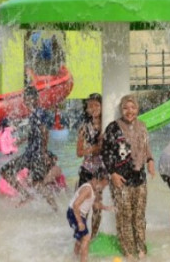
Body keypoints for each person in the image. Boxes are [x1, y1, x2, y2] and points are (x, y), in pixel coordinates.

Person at [102, 94, 155, 259]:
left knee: (139, 215)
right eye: (125, 108)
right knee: (124, 215)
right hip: (121, 179)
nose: (129, 111)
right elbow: (106, 152)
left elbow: (146, 148)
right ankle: (127, 250)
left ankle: (141, 248)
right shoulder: (113, 128)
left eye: (132, 107)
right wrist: (112, 174)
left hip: (139, 178)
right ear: (121, 110)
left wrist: (151, 160)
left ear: (137, 109)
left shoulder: (142, 126)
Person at [0, 87, 56, 209]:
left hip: (37, 154)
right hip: (29, 154)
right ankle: (28, 196)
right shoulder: (34, 114)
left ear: (36, 99)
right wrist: (22, 140)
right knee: (5, 171)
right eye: (26, 98)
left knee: (37, 183)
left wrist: (44, 152)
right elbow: (34, 131)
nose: (27, 101)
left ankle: (55, 208)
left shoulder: (39, 112)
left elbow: (44, 131)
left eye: (29, 98)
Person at [76, 93, 105, 237]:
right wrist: (94, 149)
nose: (93, 108)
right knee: (83, 206)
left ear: (102, 107)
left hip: (101, 171)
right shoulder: (84, 128)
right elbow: (79, 152)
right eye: (90, 106)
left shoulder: (107, 125)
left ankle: (93, 235)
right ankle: (82, 234)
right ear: (86, 109)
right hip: (87, 170)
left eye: (97, 105)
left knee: (97, 205)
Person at [67, 168, 111, 262]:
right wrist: (79, 222)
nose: (104, 188)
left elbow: (95, 204)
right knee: (86, 238)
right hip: (74, 213)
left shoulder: (93, 189)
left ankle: (74, 258)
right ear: (97, 179)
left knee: (80, 238)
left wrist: (107, 208)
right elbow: (75, 205)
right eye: (104, 185)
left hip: (76, 213)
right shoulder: (87, 189)